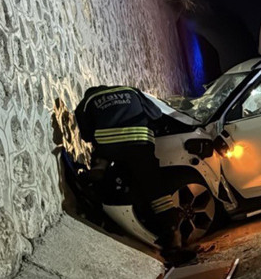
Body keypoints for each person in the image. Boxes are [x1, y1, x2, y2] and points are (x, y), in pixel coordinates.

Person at [75, 86, 193, 263]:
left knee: (102, 155)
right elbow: (156, 114)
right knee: (155, 188)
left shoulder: (87, 102)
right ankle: (172, 234)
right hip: (140, 143)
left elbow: (86, 134)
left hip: (109, 145)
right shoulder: (131, 91)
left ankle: (98, 175)